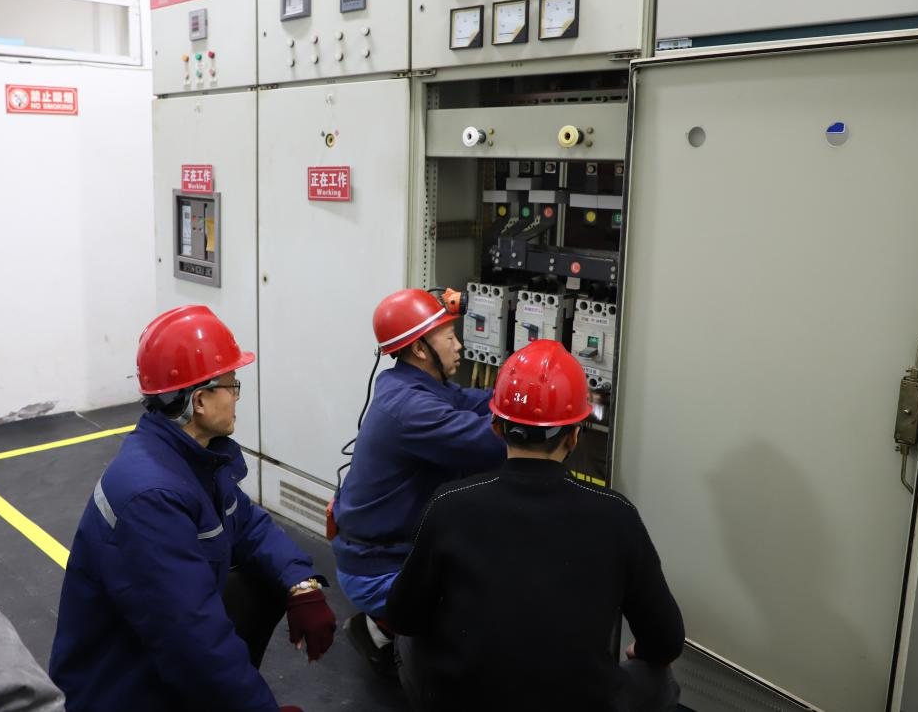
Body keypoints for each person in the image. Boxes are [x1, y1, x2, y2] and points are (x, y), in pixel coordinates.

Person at [49, 305, 336, 712]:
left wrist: (300, 583)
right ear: (200, 400)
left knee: (258, 579)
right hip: (124, 693)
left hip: (157, 661)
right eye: (232, 384)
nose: (236, 396)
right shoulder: (151, 496)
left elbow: (248, 524)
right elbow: (195, 641)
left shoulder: (191, 457)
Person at [385, 339, 684, 711]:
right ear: (575, 435)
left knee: (407, 640)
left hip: (468, 700)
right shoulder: (617, 513)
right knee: (660, 678)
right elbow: (667, 641)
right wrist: (642, 650)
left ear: (496, 427)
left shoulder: (449, 503)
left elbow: (403, 616)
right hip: (581, 702)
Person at [331, 289, 506, 673]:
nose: (459, 346)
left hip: (386, 551)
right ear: (420, 349)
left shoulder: (411, 384)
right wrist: (543, 413)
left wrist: (518, 391)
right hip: (380, 569)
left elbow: (474, 402)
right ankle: (401, 644)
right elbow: (488, 443)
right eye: (450, 337)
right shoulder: (410, 407)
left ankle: (386, 626)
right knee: (488, 604)